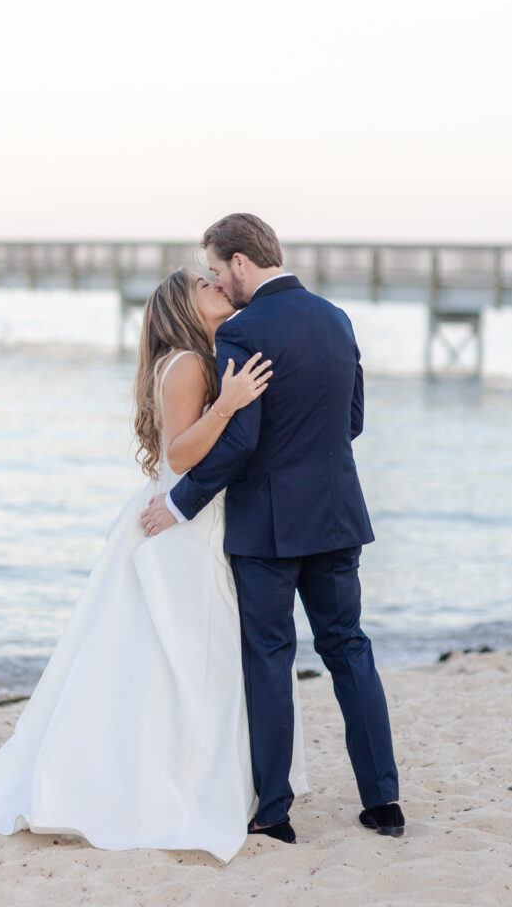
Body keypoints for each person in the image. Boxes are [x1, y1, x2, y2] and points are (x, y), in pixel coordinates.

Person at [0, 268, 308, 864]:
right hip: (180, 524)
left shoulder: (196, 357)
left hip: (189, 518)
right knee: (187, 654)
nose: (216, 284)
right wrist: (230, 404)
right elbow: (180, 453)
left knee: (175, 654)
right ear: (181, 307)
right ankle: (177, 780)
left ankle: (197, 774)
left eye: (215, 277)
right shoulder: (190, 362)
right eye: (202, 283)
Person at [141, 213, 405, 842]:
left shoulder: (245, 329)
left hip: (268, 526)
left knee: (269, 659)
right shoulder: (335, 317)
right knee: (349, 650)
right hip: (338, 513)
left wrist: (180, 503)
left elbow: (238, 442)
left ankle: (275, 812)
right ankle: (385, 805)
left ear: (238, 262)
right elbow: (353, 420)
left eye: (216, 268)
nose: (217, 283)